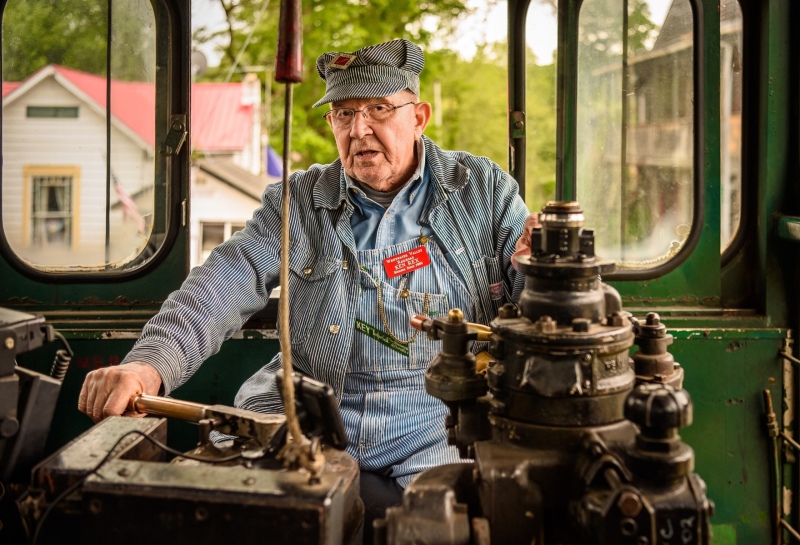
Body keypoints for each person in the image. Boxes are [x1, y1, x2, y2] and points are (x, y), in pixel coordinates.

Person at [78, 38, 531, 539]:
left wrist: (537, 265)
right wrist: (150, 363)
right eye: (343, 113)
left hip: (435, 419)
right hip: (308, 407)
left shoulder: (483, 191)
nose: (359, 130)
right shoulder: (297, 202)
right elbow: (224, 282)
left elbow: (535, 304)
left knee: (450, 524)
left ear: (419, 116)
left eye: (379, 109)